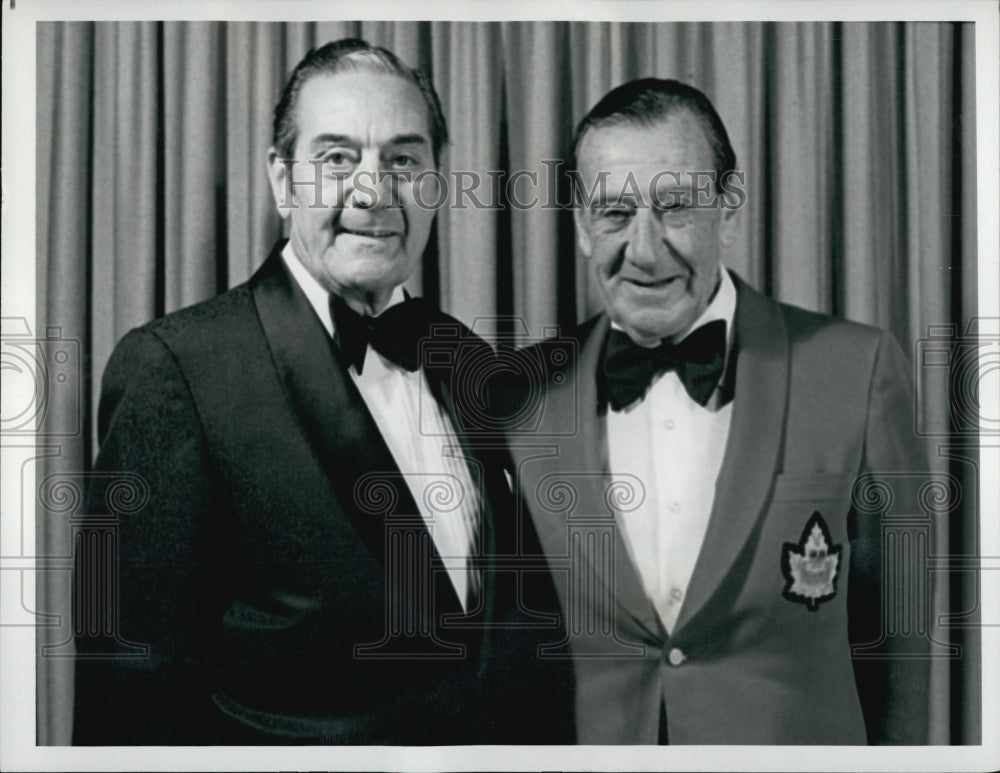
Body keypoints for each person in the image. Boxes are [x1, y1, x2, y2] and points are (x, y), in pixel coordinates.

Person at [72, 38, 572, 745]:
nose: (374, 190)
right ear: (282, 180)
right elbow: (128, 697)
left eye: (403, 160)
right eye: (338, 158)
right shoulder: (174, 368)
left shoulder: (459, 354)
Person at [495, 78, 930, 744]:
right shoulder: (520, 398)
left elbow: (900, 665)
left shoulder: (857, 372)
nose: (644, 249)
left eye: (675, 208)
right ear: (582, 226)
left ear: (728, 210)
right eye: (614, 213)